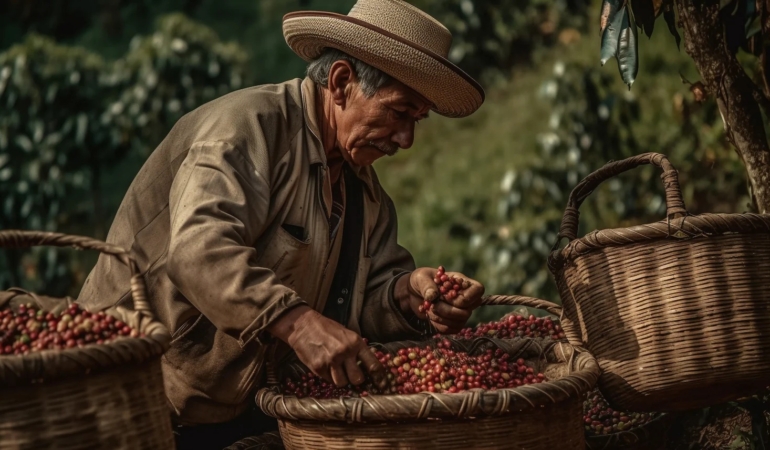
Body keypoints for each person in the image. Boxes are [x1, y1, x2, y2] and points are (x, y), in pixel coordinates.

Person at [77, 0, 487, 448]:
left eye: (417, 121)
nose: (406, 139)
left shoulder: (367, 197)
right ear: (342, 82)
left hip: (242, 410)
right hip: (135, 400)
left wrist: (407, 295)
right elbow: (199, 251)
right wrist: (298, 323)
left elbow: (356, 306)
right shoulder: (246, 130)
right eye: (399, 112)